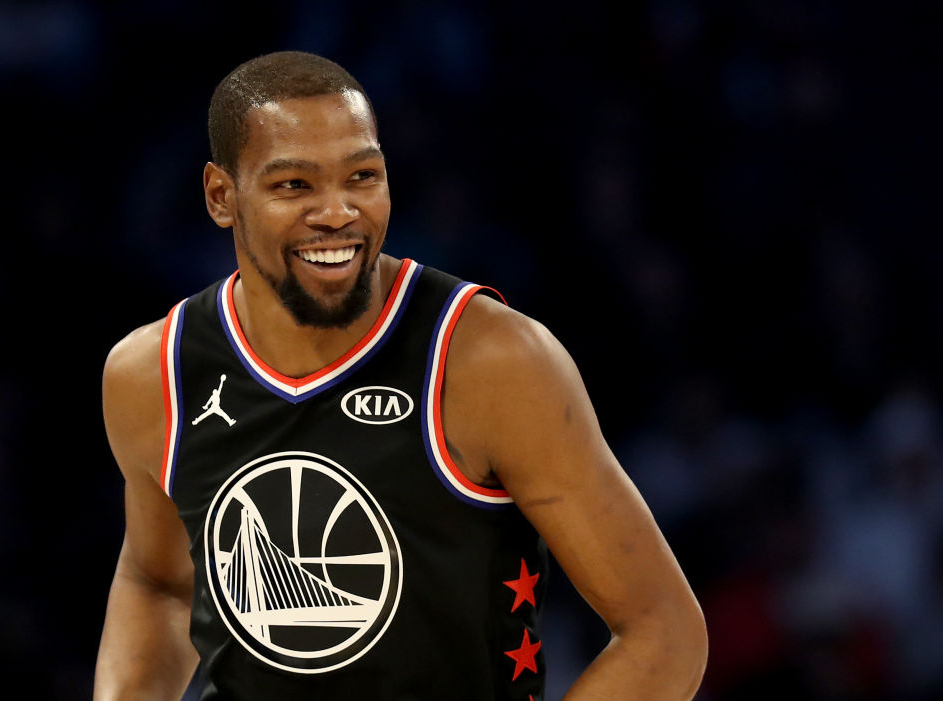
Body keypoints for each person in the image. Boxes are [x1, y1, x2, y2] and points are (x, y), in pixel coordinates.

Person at [94, 51, 707, 701]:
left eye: (361, 176)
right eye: (294, 185)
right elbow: (159, 582)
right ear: (222, 196)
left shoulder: (492, 359)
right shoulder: (152, 373)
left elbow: (663, 631)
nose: (337, 212)